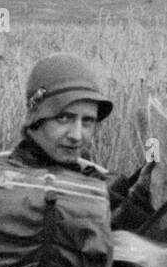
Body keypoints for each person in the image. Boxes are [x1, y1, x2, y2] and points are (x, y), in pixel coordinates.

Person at [11, 52, 154, 227]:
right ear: (35, 119)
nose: (77, 136)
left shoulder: (81, 174)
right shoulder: (32, 191)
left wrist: (144, 189)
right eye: (63, 118)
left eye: (87, 121)